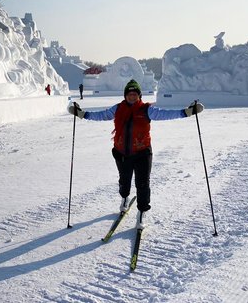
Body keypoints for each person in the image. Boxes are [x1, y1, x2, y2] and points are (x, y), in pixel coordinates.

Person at [68, 79, 203, 229]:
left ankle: (142, 212)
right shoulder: (118, 109)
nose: (132, 97)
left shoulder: (146, 110)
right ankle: (125, 198)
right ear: (125, 95)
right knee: (124, 182)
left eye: (135, 94)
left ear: (139, 96)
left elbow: (165, 114)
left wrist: (186, 112)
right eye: (129, 94)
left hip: (142, 153)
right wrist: (82, 114)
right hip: (122, 153)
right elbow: (102, 115)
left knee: (143, 184)